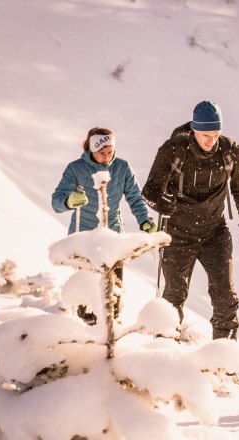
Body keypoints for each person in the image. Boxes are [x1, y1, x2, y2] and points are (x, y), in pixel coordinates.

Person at [142, 100, 239, 339]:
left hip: (215, 232)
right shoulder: (173, 149)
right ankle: (164, 351)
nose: (211, 141)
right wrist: (162, 203)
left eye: (216, 134)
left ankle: (224, 356)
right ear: (193, 130)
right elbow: (149, 192)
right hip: (177, 233)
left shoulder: (230, 151)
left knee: (225, 296)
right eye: (206, 135)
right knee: (174, 296)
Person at [52, 127, 157, 323]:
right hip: (84, 239)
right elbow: (56, 202)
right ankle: (88, 328)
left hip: (112, 237)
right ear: (91, 149)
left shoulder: (122, 167)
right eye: (102, 153)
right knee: (88, 293)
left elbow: (135, 197)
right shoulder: (76, 169)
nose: (106, 157)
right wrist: (69, 201)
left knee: (112, 291)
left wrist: (144, 220)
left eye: (110, 152)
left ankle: (111, 330)